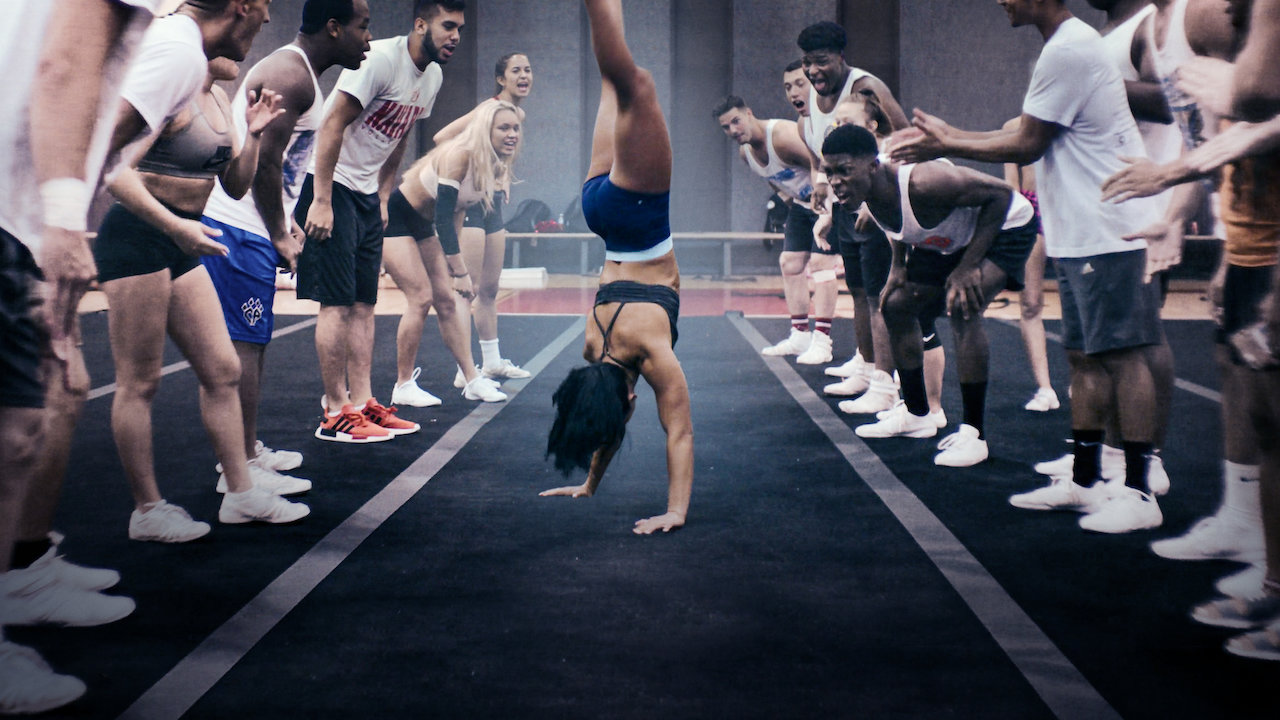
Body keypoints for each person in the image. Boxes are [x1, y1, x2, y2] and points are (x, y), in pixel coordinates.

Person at [894, 0, 1168, 532]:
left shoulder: (1069, 48)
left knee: (1126, 356)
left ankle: (1139, 490)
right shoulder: (1063, 47)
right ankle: (1086, 481)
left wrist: (948, 139)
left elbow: (1026, 141)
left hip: (1110, 227)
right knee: (1084, 356)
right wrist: (951, 139)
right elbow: (1030, 136)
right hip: (1079, 229)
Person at [95, 2, 311, 542]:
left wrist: (256, 132)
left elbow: (235, 185)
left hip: (185, 237)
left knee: (222, 368)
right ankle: (147, 511)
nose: (254, 38)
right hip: (140, 236)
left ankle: (239, 494)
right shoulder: (171, 85)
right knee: (139, 382)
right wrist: (172, 225)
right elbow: (113, 170)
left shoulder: (216, 99)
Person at [0, 0, 161, 711]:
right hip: (14, 214)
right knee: (14, 433)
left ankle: (23, 577)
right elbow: (66, 65)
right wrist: (64, 224)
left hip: (18, 214)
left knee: (25, 421)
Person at [201, 0, 372, 483]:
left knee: (252, 345)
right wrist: (279, 231)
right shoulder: (290, 75)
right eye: (364, 27)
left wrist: (285, 222)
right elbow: (266, 163)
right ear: (334, 28)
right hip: (238, 227)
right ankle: (238, 468)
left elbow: (282, 166)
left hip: (252, 225)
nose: (369, 39)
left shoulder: (301, 76)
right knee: (244, 350)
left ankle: (247, 452)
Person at [541, 0, 692, 536]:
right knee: (612, 85)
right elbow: (604, 420)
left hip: (640, 216)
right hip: (599, 212)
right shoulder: (591, 351)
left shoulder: (653, 352)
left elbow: (680, 433)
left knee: (632, 82)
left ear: (628, 397)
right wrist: (588, 484)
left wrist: (676, 511)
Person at [298, 0, 465, 442]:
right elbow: (332, 124)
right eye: (448, 26)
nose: (455, 36)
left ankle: (364, 401)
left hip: (368, 195)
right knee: (336, 302)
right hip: (330, 185)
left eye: (460, 29)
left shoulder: (432, 77)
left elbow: (401, 131)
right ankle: (336, 411)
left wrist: (384, 191)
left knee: (365, 303)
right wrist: (322, 199)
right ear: (420, 24)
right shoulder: (381, 60)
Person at [824, 125, 1036, 469]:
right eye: (829, 172)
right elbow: (897, 224)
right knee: (895, 306)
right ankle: (918, 414)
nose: (835, 181)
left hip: (1005, 227)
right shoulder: (863, 194)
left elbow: (1002, 196)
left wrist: (967, 267)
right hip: (947, 239)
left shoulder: (926, 181)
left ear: (873, 165)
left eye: (844, 170)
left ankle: (974, 434)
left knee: (962, 308)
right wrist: (897, 267)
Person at [798, 20, 910, 407]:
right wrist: (825, 191)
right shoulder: (815, 94)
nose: (813, 71)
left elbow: (904, 137)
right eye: (807, 63)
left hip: (873, 200)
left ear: (842, 58)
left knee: (881, 296)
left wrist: (877, 201)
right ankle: (866, 366)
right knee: (859, 291)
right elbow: (822, 150)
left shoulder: (866, 87)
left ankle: (885, 385)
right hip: (846, 200)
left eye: (822, 62)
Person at [381, 100, 519, 405]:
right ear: (486, 130)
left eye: (516, 128)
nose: (512, 134)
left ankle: (471, 379)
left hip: (426, 224)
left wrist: (450, 259)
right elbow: (443, 215)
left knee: (446, 300)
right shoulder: (460, 156)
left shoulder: (494, 165)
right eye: (504, 128)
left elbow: (458, 211)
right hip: (400, 217)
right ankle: (403, 386)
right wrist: (459, 271)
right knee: (421, 297)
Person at [828, 95, 946, 425]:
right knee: (880, 302)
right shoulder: (861, 167)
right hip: (893, 234)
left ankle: (927, 405)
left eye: (848, 122)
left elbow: (906, 199)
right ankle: (902, 394)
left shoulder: (891, 155)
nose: (840, 129)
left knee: (914, 316)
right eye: (837, 123)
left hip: (924, 237)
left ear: (871, 126)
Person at [712, 94, 833, 363]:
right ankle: (800, 335)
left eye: (736, 121)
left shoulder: (781, 136)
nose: (733, 130)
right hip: (803, 206)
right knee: (789, 262)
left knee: (821, 265)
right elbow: (775, 180)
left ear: (749, 113)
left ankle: (823, 341)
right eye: (726, 127)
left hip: (830, 200)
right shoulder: (746, 154)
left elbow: (821, 163)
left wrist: (827, 205)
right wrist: (786, 202)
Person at [1001, 119, 1059, 413]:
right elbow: (1012, 186)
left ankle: (1087, 374)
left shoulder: (1069, 121)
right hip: (1033, 207)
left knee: (1082, 302)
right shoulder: (1014, 126)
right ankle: (1045, 387)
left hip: (1066, 206)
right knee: (1030, 303)